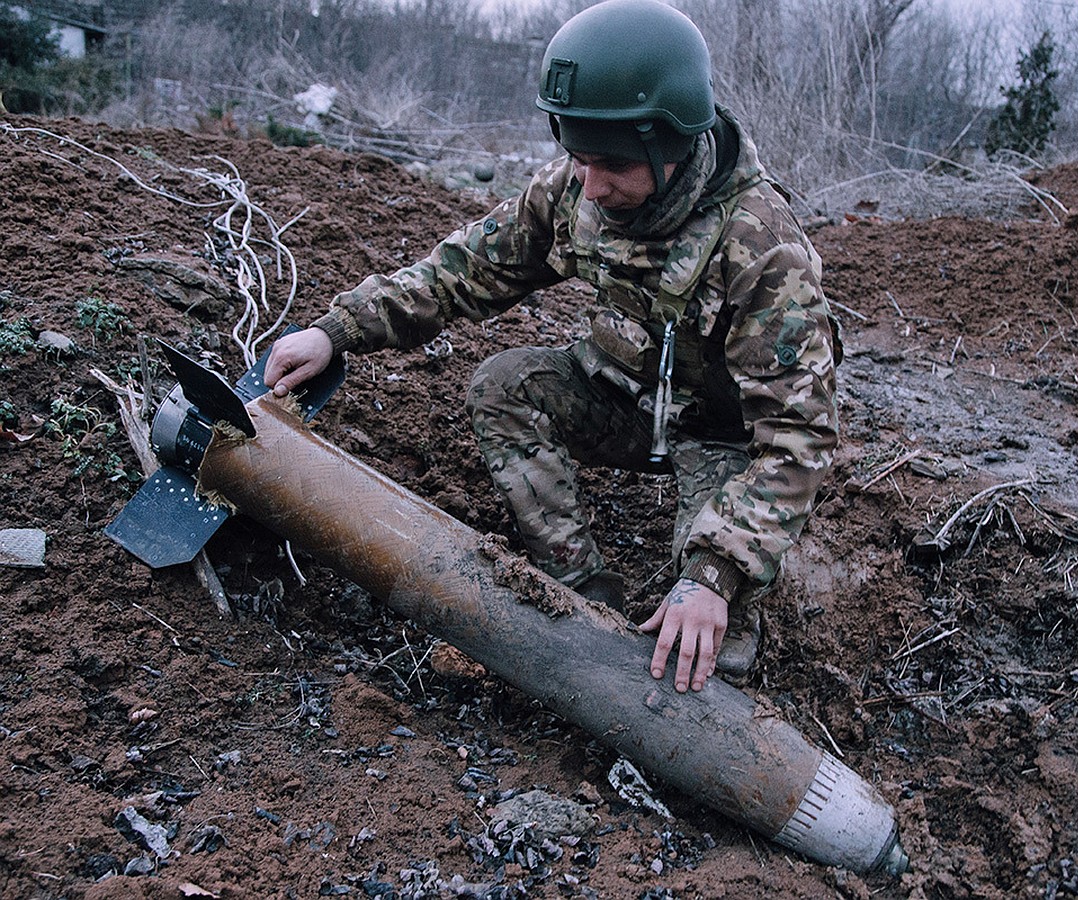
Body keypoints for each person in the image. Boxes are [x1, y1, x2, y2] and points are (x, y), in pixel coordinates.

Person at [264, 0, 841, 694]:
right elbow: (465, 270)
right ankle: (580, 598)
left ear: (670, 144)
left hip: (722, 438)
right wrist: (338, 330)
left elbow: (797, 437)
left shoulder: (762, 247)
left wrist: (715, 572)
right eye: (578, 158)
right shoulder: (576, 189)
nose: (591, 185)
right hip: (622, 401)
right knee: (504, 386)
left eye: (614, 166)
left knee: (715, 641)